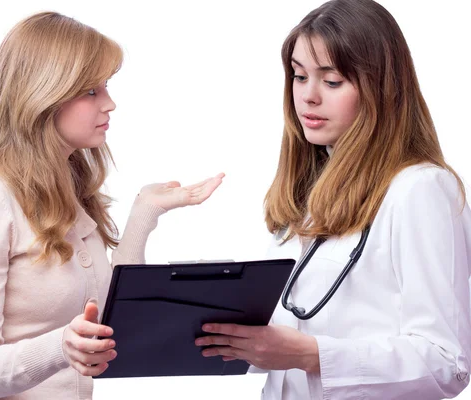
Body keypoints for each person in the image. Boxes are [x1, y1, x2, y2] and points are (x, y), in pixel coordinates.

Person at [0, 11, 223, 400]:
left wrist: (143, 215)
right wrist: (61, 346)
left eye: (105, 87)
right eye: (91, 91)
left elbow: (109, 318)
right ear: (43, 93)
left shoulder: (67, 187)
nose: (110, 104)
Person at [195, 0, 471, 398]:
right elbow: (297, 323)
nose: (308, 96)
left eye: (332, 81)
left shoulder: (420, 189)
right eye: (299, 75)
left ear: (381, 88)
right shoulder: (313, 187)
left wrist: (313, 355)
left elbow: (447, 361)